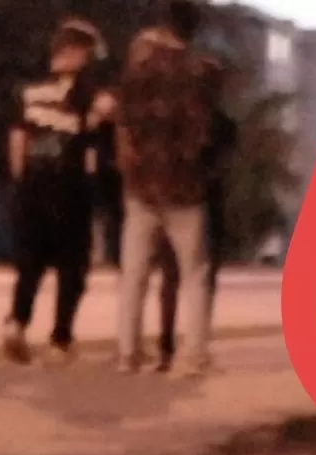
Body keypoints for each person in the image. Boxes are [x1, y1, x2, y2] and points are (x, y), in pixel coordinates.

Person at [114, 0, 214, 377]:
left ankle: (127, 353)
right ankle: (194, 355)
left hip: (142, 184)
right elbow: (203, 129)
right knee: (193, 274)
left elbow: (123, 122)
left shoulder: (138, 70)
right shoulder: (201, 71)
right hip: (184, 186)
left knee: (134, 274)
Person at [3, 19, 108, 366]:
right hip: (69, 188)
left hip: (32, 185)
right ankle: (60, 339)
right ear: (76, 52)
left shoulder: (30, 88)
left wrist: (20, 184)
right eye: (88, 54)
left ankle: (17, 322)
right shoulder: (85, 91)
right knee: (72, 266)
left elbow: (17, 138)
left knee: (30, 263)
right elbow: (101, 121)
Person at [156, 59, 237, 373]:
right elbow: (224, 166)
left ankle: (166, 347)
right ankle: (195, 345)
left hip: (174, 198)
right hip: (206, 201)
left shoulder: (174, 118)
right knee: (202, 276)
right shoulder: (223, 124)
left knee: (171, 275)